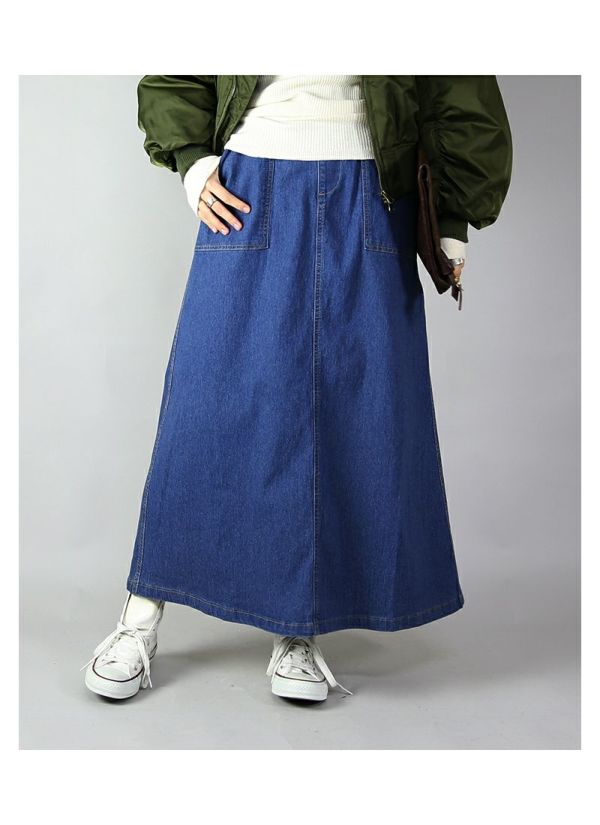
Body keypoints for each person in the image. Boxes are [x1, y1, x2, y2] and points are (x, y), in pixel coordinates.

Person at [82, 75, 512, 703]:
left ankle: (298, 628)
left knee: (346, 412)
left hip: (372, 190)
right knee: (205, 408)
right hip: (250, 181)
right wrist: (193, 162)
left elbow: (457, 84)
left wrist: (453, 217)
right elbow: (178, 65)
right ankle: (140, 617)